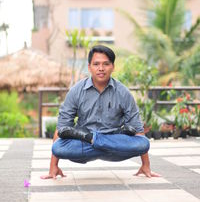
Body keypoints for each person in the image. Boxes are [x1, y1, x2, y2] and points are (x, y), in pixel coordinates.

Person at [41, 45, 160, 180]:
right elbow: (61, 128)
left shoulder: (123, 93)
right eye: (96, 64)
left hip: (114, 146)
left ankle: (94, 138)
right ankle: (91, 138)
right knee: (58, 148)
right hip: (84, 146)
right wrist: (53, 166)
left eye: (106, 64)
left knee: (143, 144)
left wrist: (146, 165)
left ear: (113, 67)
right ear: (89, 67)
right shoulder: (76, 91)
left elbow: (138, 130)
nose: (101, 68)